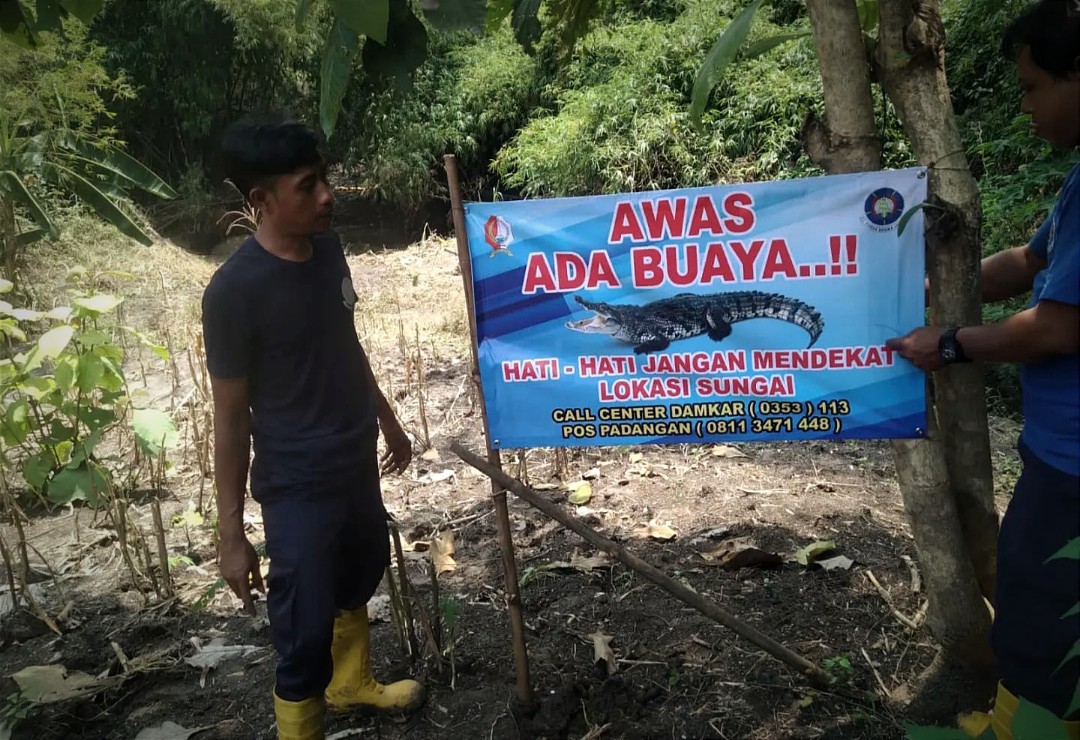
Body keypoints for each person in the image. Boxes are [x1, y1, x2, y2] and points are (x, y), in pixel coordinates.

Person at [887, 1, 1079, 738]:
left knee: (1038, 597)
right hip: (1056, 448)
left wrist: (953, 344)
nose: (1025, 105)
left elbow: (1060, 326)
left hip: (1073, 463)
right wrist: (930, 290)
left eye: (1034, 87)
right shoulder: (1077, 188)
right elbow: (1030, 266)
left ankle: (1023, 726)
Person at [201, 115, 424, 740]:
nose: (327, 196)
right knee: (301, 629)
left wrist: (388, 419)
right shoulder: (233, 293)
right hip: (297, 483)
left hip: (354, 461)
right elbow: (230, 416)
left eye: (324, 179)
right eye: (308, 186)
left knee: (361, 573)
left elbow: (344, 342)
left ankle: (350, 683)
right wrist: (230, 535)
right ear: (262, 200)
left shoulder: (328, 251)